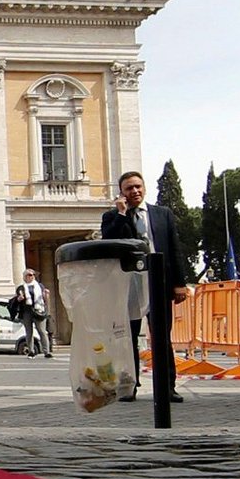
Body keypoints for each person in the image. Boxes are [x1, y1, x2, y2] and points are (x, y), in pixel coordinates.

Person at [100, 170, 194, 404]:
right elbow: (110, 242)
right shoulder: (111, 217)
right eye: (129, 188)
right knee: (127, 337)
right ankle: (129, 385)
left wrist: (180, 283)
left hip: (159, 281)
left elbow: (175, 248)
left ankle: (167, 386)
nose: (135, 191)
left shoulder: (162, 214)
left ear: (144, 188)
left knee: (162, 336)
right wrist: (121, 214)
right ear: (121, 192)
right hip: (129, 284)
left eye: (138, 187)